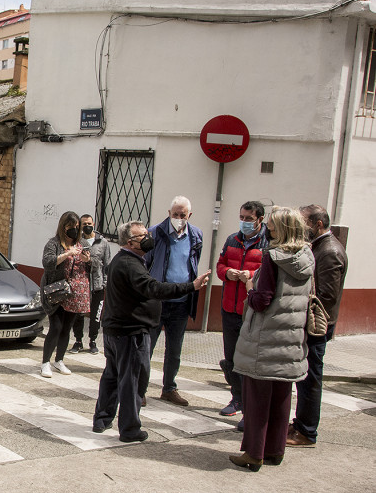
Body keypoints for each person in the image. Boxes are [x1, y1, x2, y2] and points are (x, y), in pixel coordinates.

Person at [93, 221, 209, 443]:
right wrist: (190, 286)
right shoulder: (129, 263)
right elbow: (153, 288)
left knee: (113, 375)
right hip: (130, 332)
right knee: (133, 381)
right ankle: (129, 429)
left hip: (117, 329)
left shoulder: (128, 260)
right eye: (142, 236)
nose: (148, 238)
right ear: (130, 242)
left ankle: (102, 419)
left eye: (147, 233)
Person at [229, 207, 312, 471]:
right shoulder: (307, 257)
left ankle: (254, 453)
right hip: (291, 336)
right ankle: (275, 450)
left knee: (257, 399)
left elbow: (262, 300)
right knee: (281, 396)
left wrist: (250, 288)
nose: (269, 230)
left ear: (281, 229)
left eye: (273, 226)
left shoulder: (273, 258)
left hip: (266, 338)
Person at [287, 205, 348, 447]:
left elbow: (326, 296)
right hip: (313, 324)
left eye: (305, 223)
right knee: (304, 377)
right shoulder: (320, 247)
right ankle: (301, 423)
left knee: (311, 378)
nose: (302, 228)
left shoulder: (330, 251)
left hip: (317, 326)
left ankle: (306, 431)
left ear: (318, 224)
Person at [144, 196, 203, 406]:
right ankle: (140, 389)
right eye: (175, 214)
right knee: (147, 347)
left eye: (183, 215)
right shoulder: (154, 233)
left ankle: (169, 388)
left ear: (189, 216)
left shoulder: (196, 235)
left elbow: (192, 263)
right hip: (158, 300)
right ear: (169, 213)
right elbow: (145, 265)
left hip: (181, 301)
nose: (179, 218)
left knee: (175, 350)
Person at [216, 200, 268, 422]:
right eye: (242, 218)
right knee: (232, 356)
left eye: (249, 218)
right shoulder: (232, 239)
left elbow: (268, 273)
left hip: (253, 311)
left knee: (250, 359)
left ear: (260, 220)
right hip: (230, 307)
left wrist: (250, 275)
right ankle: (235, 398)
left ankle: (249, 402)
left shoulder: (268, 243)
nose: (244, 222)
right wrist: (228, 272)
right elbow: (220, 265)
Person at [40, 211, 92, 378]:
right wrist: (67, 254)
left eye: (77, 227)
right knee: (55, 327)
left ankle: (59, 360)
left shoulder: (82, 243)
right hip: (56, 291)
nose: (74, 231)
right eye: (71, 227)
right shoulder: (53, 243)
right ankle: (45, 363)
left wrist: (88, 260)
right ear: (63, 228)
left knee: (66, 328)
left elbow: (96, 265)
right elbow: (47, 263)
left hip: (73, 294)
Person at [70, 214, 110, 355]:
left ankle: (92, 341)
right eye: (84, 224)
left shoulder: (103, 242)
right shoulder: (77, 241)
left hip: (97, 285)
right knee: (79, 314)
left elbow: (106, 265)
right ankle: (78, 341)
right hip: (81, 284)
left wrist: (104, 283)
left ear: (94, 224)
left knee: (95, 315)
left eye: (89, 223)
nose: (87, 226)